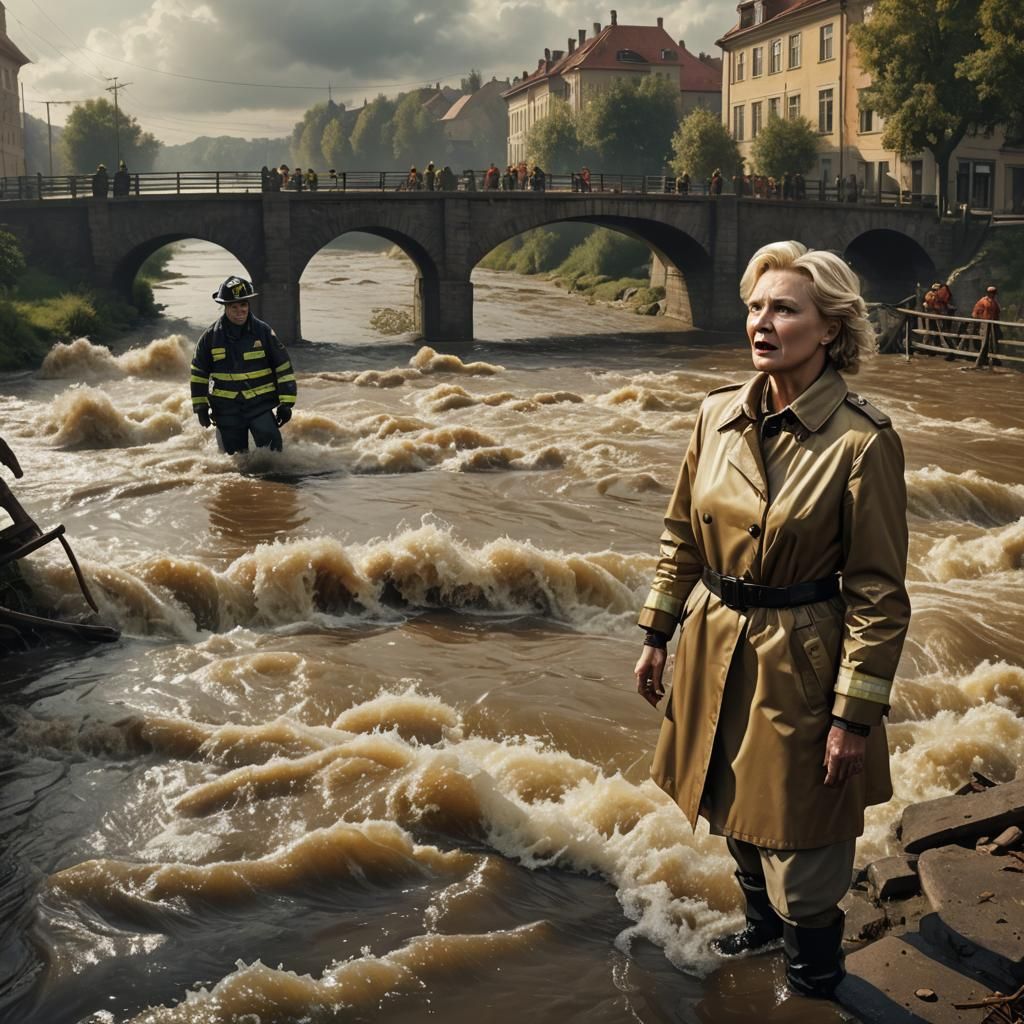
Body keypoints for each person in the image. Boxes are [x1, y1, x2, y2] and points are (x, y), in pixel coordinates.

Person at [633, 240, 910, 1000]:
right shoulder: (715, 414)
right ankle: (760, 927)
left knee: (806, 836)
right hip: (715, 637)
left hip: (802, 655)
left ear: (829, 329)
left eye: (784, 308)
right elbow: (682, 533)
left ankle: (813, 978)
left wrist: (853, 717)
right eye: (755, 306)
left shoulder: (862, 441)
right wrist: (657, 633)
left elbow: (880, 593)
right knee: (728, 800)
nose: (761, 321)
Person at [190, 276, 297, 455]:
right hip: (226, 411)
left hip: (259, 406)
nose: (240, 311)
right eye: (234, 306)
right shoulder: (210, 337)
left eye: (244, 305)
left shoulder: (263, 332)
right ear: (225, 307)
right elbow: (198, 373)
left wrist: (286, 404)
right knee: (234, 463)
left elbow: (283, 367)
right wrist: (200, 407)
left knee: (274, 456)